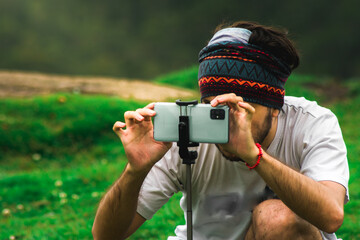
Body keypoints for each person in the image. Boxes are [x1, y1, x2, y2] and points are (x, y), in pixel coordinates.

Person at [92, 21, 349, 240]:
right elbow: (106, 235)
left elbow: (331, 216)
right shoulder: (189, 129)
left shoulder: (312, 123)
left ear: (275, 106)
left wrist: (254, 156)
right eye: (214, 108)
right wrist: (134, 171)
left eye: (239, 108)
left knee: (278, 218)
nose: (228, 122)